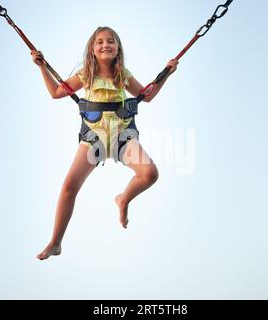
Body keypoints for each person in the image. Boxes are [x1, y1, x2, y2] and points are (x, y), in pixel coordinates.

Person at [33, 26, 178, 260]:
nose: (105, 45)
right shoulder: (85, 75)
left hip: (122, 135)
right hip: (94, 137)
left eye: (111, 41)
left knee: (150, 173)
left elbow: (147, 96)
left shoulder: (123, 75)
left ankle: (123, 199)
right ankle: (55, 242)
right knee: (69, 186)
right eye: (100, 42)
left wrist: (167, 73)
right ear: (92, 48)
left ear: (117, 47)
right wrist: (42, 67)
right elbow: (56, 93)